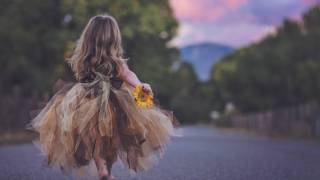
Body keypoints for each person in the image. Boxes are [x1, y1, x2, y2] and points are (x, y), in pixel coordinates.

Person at [28, 14, 182, 180]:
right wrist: (139, 85)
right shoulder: (116, 62)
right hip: (114, 103)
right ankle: (105, 171)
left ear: (88, 38)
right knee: (110, 141)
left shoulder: (84, 60)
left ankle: (102, 168)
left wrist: (138, 85)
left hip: (84, 100)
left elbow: (85, 77)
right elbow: (128, 75)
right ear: (114, 39)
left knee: (92, 137)